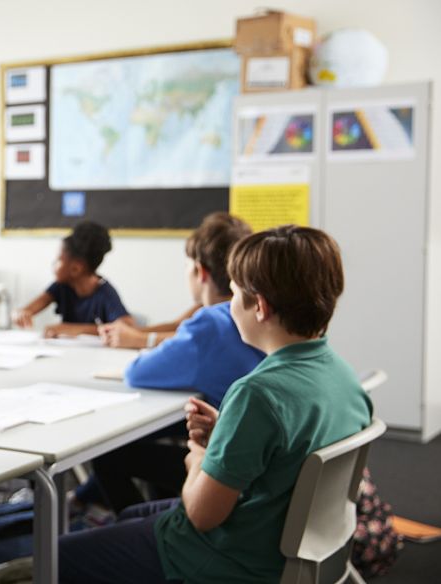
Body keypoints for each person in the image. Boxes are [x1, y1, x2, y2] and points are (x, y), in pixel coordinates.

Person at [59, 225, 373, 584]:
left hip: (230, 560)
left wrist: (198, 455)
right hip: (291, 545)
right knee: (133, 513)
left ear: (260, 307)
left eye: (235, 296)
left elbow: (201, 514)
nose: (229, 305)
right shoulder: (345, 378)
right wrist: (227, 431)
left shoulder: (257, 393)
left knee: (56, 558)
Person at [76, 212, 264, 512]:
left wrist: (143, 342)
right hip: (254, 454)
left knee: (111, 453)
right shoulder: (259, 313)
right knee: (164, 432)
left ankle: (129, 525)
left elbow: (139, 373)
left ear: (200, 272)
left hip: (230, 468)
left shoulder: (210, 323)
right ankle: (92, 502)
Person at [13, 221, 132, 337]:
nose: (54, 264)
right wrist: (20, 313)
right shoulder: (61, 286)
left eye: (59, 260)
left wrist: (70, 328)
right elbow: (28, 309)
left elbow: (127, 327)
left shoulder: (104, 292)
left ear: (75, 269)